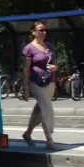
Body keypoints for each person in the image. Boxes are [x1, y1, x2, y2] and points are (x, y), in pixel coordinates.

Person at [21, 21, 58, 149]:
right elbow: (26, 69)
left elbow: (54, 63)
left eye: (44, 30)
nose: (43, 33)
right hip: (37, 82)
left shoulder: (49, 47)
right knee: (47, 108)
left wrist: (55, 68)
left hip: (50, 81)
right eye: (40, 30)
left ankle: (27, 133)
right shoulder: (29, 48)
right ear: (33, 32)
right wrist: (26, 88)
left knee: (40, 109)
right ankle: (49, 139)